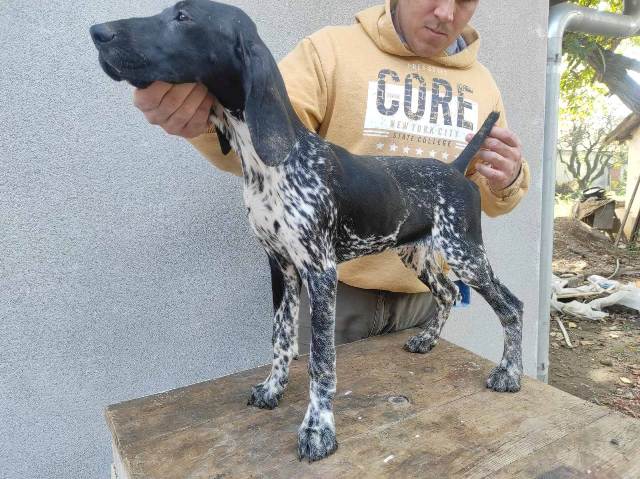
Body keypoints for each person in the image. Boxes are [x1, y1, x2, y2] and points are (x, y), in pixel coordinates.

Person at [131, 0, 530, 354]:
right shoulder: (328, 52)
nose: (446, 12)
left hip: (421, 296)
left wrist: (509, 178)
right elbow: (268, 149)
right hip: (338, 293)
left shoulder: (483, 84)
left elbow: (487, 196)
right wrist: (200, 121)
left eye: (465, 0)